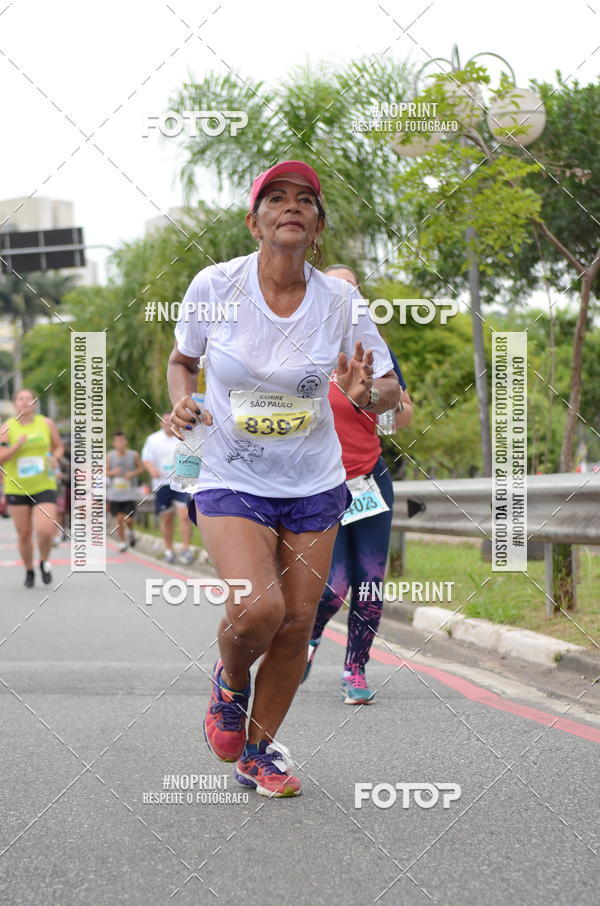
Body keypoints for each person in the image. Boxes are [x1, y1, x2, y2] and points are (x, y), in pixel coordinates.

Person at [167, 160, 400, 798]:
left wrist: (364, 394)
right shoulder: (215, 286)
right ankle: (230, 683)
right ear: (255, 220)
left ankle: (260, 751)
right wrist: (183, 401)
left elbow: (387, 386)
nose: (291, 206)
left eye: (305, 200)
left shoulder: (339, 301)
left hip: (313, 482)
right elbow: (182, 360)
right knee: (257, 611)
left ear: (317, 227)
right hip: (229, 473)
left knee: (297, 621)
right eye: (276, 198)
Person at [301, 265, 413, 704]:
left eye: (352, 290)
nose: (345, 296)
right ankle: (310, 636)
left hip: (369, 480)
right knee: (334, 587)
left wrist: (369, 396)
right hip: (321, 484)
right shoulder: (303, 347)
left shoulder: (373, 349)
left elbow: (402, 409)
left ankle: (356, 669)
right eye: (336, 288)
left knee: (368, 584)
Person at [0, 388, 64, 587]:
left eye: (29, 398)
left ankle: (44, 561)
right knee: (24, 532)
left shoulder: (46, 423)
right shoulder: (7, 428)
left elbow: (58, 446)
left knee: (45, 530)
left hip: (44, 484)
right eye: (21, 398)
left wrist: (56, 458)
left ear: (35, 403)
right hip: (17, 487)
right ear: (15, 403)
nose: (25, 401)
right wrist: (17, 446)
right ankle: (29, 570)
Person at [141, 415, 194, 565]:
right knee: (167, 518)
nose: (168, 424)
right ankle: (169, 550)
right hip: (162, 483)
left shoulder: (183, 436)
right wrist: (152, 470)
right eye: (165, 421)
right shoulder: (153, 439)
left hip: (181, 481)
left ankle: (186, 549)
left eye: (171, 421)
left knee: (184, 515)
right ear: (161, 423)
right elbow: (146, 458)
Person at [106, 431, 144, 552]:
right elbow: (105, 471)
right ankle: (122, 542)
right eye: (117, 441)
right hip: (115, 494)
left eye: (122, 440)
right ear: (114, 443)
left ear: (126, 442)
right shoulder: (110, 456)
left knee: (129, 520)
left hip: (129, 493)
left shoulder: (133, 455)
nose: (120, 443)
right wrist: (113, 472)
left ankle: (131, 531)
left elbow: (141, 468)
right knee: (119, 519)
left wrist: (132, 474)